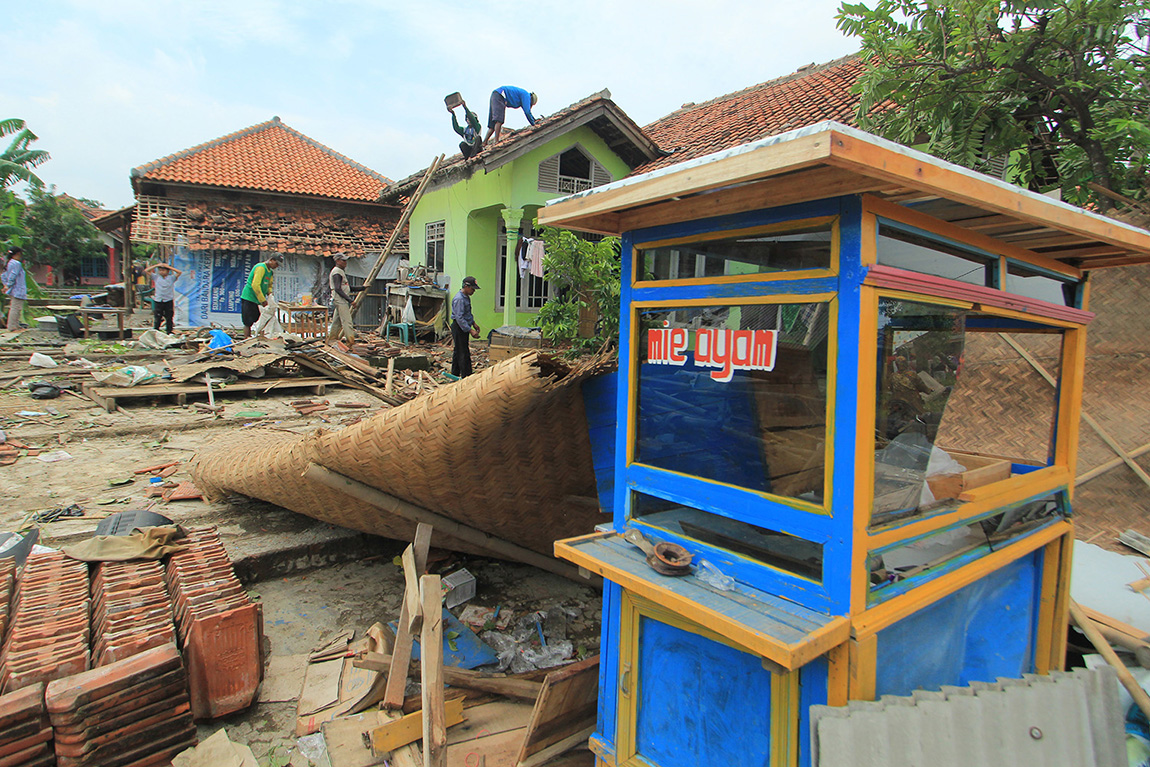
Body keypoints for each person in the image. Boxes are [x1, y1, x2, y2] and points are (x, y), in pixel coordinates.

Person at [239, 255, 281, 338]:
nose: (277, 266)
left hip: (257, 300)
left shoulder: (270, 272)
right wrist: (262, 300)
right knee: (248, 322)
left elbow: (269, 285)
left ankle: (258, 338)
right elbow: (255, 285)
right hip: (249, 297)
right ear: (271, 260)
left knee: (259, 320)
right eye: (276, 263)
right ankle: (247, 338)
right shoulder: (261, 267)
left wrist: (270, 294)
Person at [451, 276, 481, 377]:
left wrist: (473, 323)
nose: (473, 291)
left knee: (458, 350)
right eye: (472, 289)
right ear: (466, 286)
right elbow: (459, 318)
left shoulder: (466, 297)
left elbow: (467, 314)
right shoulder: (459, 299)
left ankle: (454, 373)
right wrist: (470, 330)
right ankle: (467, 376)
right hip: (459, 327)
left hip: (464, 326)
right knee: (463, 352)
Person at [145, 261, 183, 334]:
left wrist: (168, 267)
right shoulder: (156, 277)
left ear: (167, 271)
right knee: (157, 316)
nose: (161, 272)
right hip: (159, 300)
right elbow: (146, 271)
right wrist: (157, 265)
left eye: (163, 270)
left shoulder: (171, 278)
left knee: (169, 317)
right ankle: (156, 330)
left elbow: (179, 272)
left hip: (168, 300)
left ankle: (169, 331)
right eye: (160, 270)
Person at [327, 254, 355, 344]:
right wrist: (350, 300)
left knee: (337, 321)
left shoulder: (340, 271)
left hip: (339, 299)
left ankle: (332, 339)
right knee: (347, 322)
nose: (345, 263)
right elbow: (338, 289)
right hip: (340, 299)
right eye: (343, 261)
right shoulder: (337, 272)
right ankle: (350, 342)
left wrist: (362, 288)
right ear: (337, 261)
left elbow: (346, 287)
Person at [1, 247, 26, 331]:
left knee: (17, 307)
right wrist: (8, 285)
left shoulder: (9, 263)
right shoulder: (16, 263)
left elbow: (3, 275)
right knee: (15, 308)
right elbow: (13, 275)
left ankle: (15, 325)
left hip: (14, 289)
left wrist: (5, 285)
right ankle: (12, 326)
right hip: (18, 288)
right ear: (18, 253)